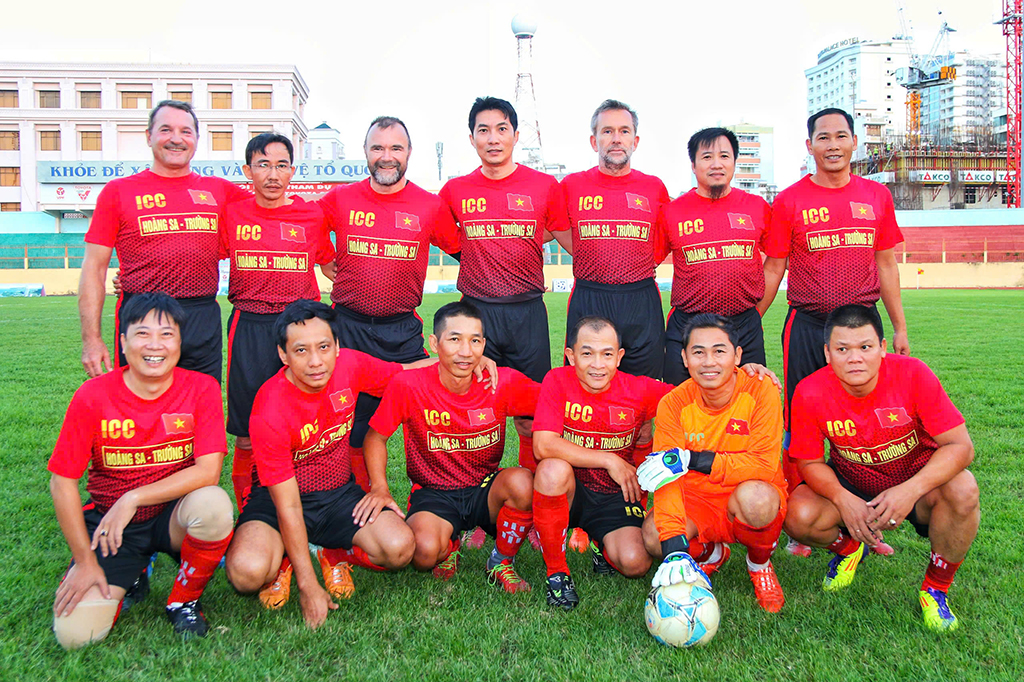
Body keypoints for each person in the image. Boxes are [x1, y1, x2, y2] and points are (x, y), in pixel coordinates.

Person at [224, 300, 428, 628]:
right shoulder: (270, 408)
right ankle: (287, 561)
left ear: (336, 346)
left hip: (337, 495)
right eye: (301, 350)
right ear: (283, 355)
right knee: (246, 574)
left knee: (399, 548)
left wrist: (464, 362)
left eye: (323, 347)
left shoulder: (350, 365)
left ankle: (332, 553)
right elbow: (288, 506)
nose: (316, 361)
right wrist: (309, 587)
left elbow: (404, 374)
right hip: (278, 502)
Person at [760, 108, 909, 557]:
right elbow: (774, 267)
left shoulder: (877, 196)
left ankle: (869, 497)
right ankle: (800, 515)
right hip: (806, 324)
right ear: (810, 147)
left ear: (853, 143)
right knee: (798, 419)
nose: (832, 144)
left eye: (840, 136)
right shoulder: (788, 201)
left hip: (862, 323)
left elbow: (886, 263)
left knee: (864, 414)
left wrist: (899, 327)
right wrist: (749, 324)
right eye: (822, 137)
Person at [49, 293, 234, 647]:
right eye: (142, 333)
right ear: (123, 340)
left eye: (166, 334)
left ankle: (183, 599)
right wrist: (85, 561)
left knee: (214, 505)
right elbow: (62, 484)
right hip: (113, 525)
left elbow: (209, 472)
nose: (155, 345)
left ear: (180, 342)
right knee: (76, 635)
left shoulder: (202, 387)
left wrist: (133, 498)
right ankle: (127, 574)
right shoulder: (92, 396)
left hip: (173, 516)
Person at [783, 305, 978, 632]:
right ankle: (850, 548)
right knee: (797, 514)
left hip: (917, 480)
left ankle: (935, 588)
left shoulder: (913, 373)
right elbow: (809, 463)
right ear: (827, 353)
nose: (854, 358)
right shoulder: (810, 390)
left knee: (963, 489)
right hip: (853, 481)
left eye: (865, 347)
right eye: (842, 349)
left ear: (883, 349)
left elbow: (961, 447)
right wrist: (844, 500)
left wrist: (909, 491)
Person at [318, 116, 462, 491]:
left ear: (409, 153)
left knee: (424, 420)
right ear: (365, 152)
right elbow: (303, 224)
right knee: (348, 427)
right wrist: (322, 256)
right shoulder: (340, 199)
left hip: (402, 331)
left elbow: (465, 248)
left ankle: (430, 505)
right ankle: (356, 507)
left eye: (395, 148)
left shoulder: (429, 205)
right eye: (378, 148)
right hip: (347, 328)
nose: (386, 156)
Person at [363, 301, 540, 594]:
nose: (466, 351)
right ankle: (450, 544)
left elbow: (554, 400)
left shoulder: (501, 382)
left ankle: (501, 561)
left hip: (484, 489)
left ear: (484, 345)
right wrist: (380, 487)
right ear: (434, 343)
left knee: (523, 483)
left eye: (475, 341)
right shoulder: (409, 385)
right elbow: (375, 437)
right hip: (434, 492)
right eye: (455, 339)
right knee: (423, 555)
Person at [439, 96, 570, 472]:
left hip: (528, 313)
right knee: (476, 410)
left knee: (531, 415)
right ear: (472, 138)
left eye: (501, 129)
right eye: (484, 130)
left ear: (515, 135)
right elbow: (450, 240)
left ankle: (529, 497)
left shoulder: (544, 185)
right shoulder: (454, 191)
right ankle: (476, 499)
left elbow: (561, 234)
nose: (493, 138)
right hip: (476, 314)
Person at [79, 100, 250, 382]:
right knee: (143, 411)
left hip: (201, 316)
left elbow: (277, 213)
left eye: (185, 131)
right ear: (149, 136)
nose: (176, 139)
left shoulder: (220, 191)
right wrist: (92, 340)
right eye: (166, 129)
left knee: (200, 407)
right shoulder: (118, 192)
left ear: (196, 139)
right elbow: (94, 268)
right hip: (143, 317)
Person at [639, 314, 788, 613]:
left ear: (737, 355)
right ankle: (710, 553)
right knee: (654, 538)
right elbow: (666, 476)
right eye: (698, 352)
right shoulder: (673, 403)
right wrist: (673, 551)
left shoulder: (761, 390)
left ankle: (759, 564)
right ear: (683, 357)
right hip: (696, 499)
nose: (709, 361)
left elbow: (763, 464)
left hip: (746, 492)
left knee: (757, 500)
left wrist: (694, 459)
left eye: (719, 351)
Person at [219, 133, 336, 510]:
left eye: (281, 165)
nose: (273, 174)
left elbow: (331, 265)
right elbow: (204, 251)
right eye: (263, 164)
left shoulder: (311, 214)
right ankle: (250, 508)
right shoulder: (232, 213)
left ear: (292, 170)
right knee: (247, 432)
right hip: (249, 325)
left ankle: (312, 498)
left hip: (299, 329)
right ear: (247, 171)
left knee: (306, 422)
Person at [531, 317, 672, 610]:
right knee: (551, 469)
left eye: (607, 354)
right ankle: (557, 572)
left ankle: (602, 546)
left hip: (614, 496)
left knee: (635, 563)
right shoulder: (557, 381)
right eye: (587, 353)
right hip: (571, 492)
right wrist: (609, 459)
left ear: (619, 357)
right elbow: (543, 445)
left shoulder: (640, 389)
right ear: (570, 356)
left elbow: (695, 394)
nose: (597, 364)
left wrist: (743, 372)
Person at [555, 99, 671, 382]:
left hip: (641, 299)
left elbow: (664, 241)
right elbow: (551, 228)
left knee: (644, 397)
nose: (616, 139)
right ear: (594, 141)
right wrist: (590, 253)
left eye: (624, 131)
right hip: (590, 296)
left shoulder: (654, 187)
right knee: (584, 391)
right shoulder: (571, 186)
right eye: (607, 131)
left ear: (636, 140)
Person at [660, 128, 772, 385]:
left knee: (749, 409)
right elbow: (649, 261)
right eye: (707, 157)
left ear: (735, 161)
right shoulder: (671, 212)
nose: (716, 164)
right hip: (688, 326)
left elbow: (777, 260)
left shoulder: (757, 208)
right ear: (694, 164)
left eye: (724, 156)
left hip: (744, 325)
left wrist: (755, 313)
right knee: (681, 410)